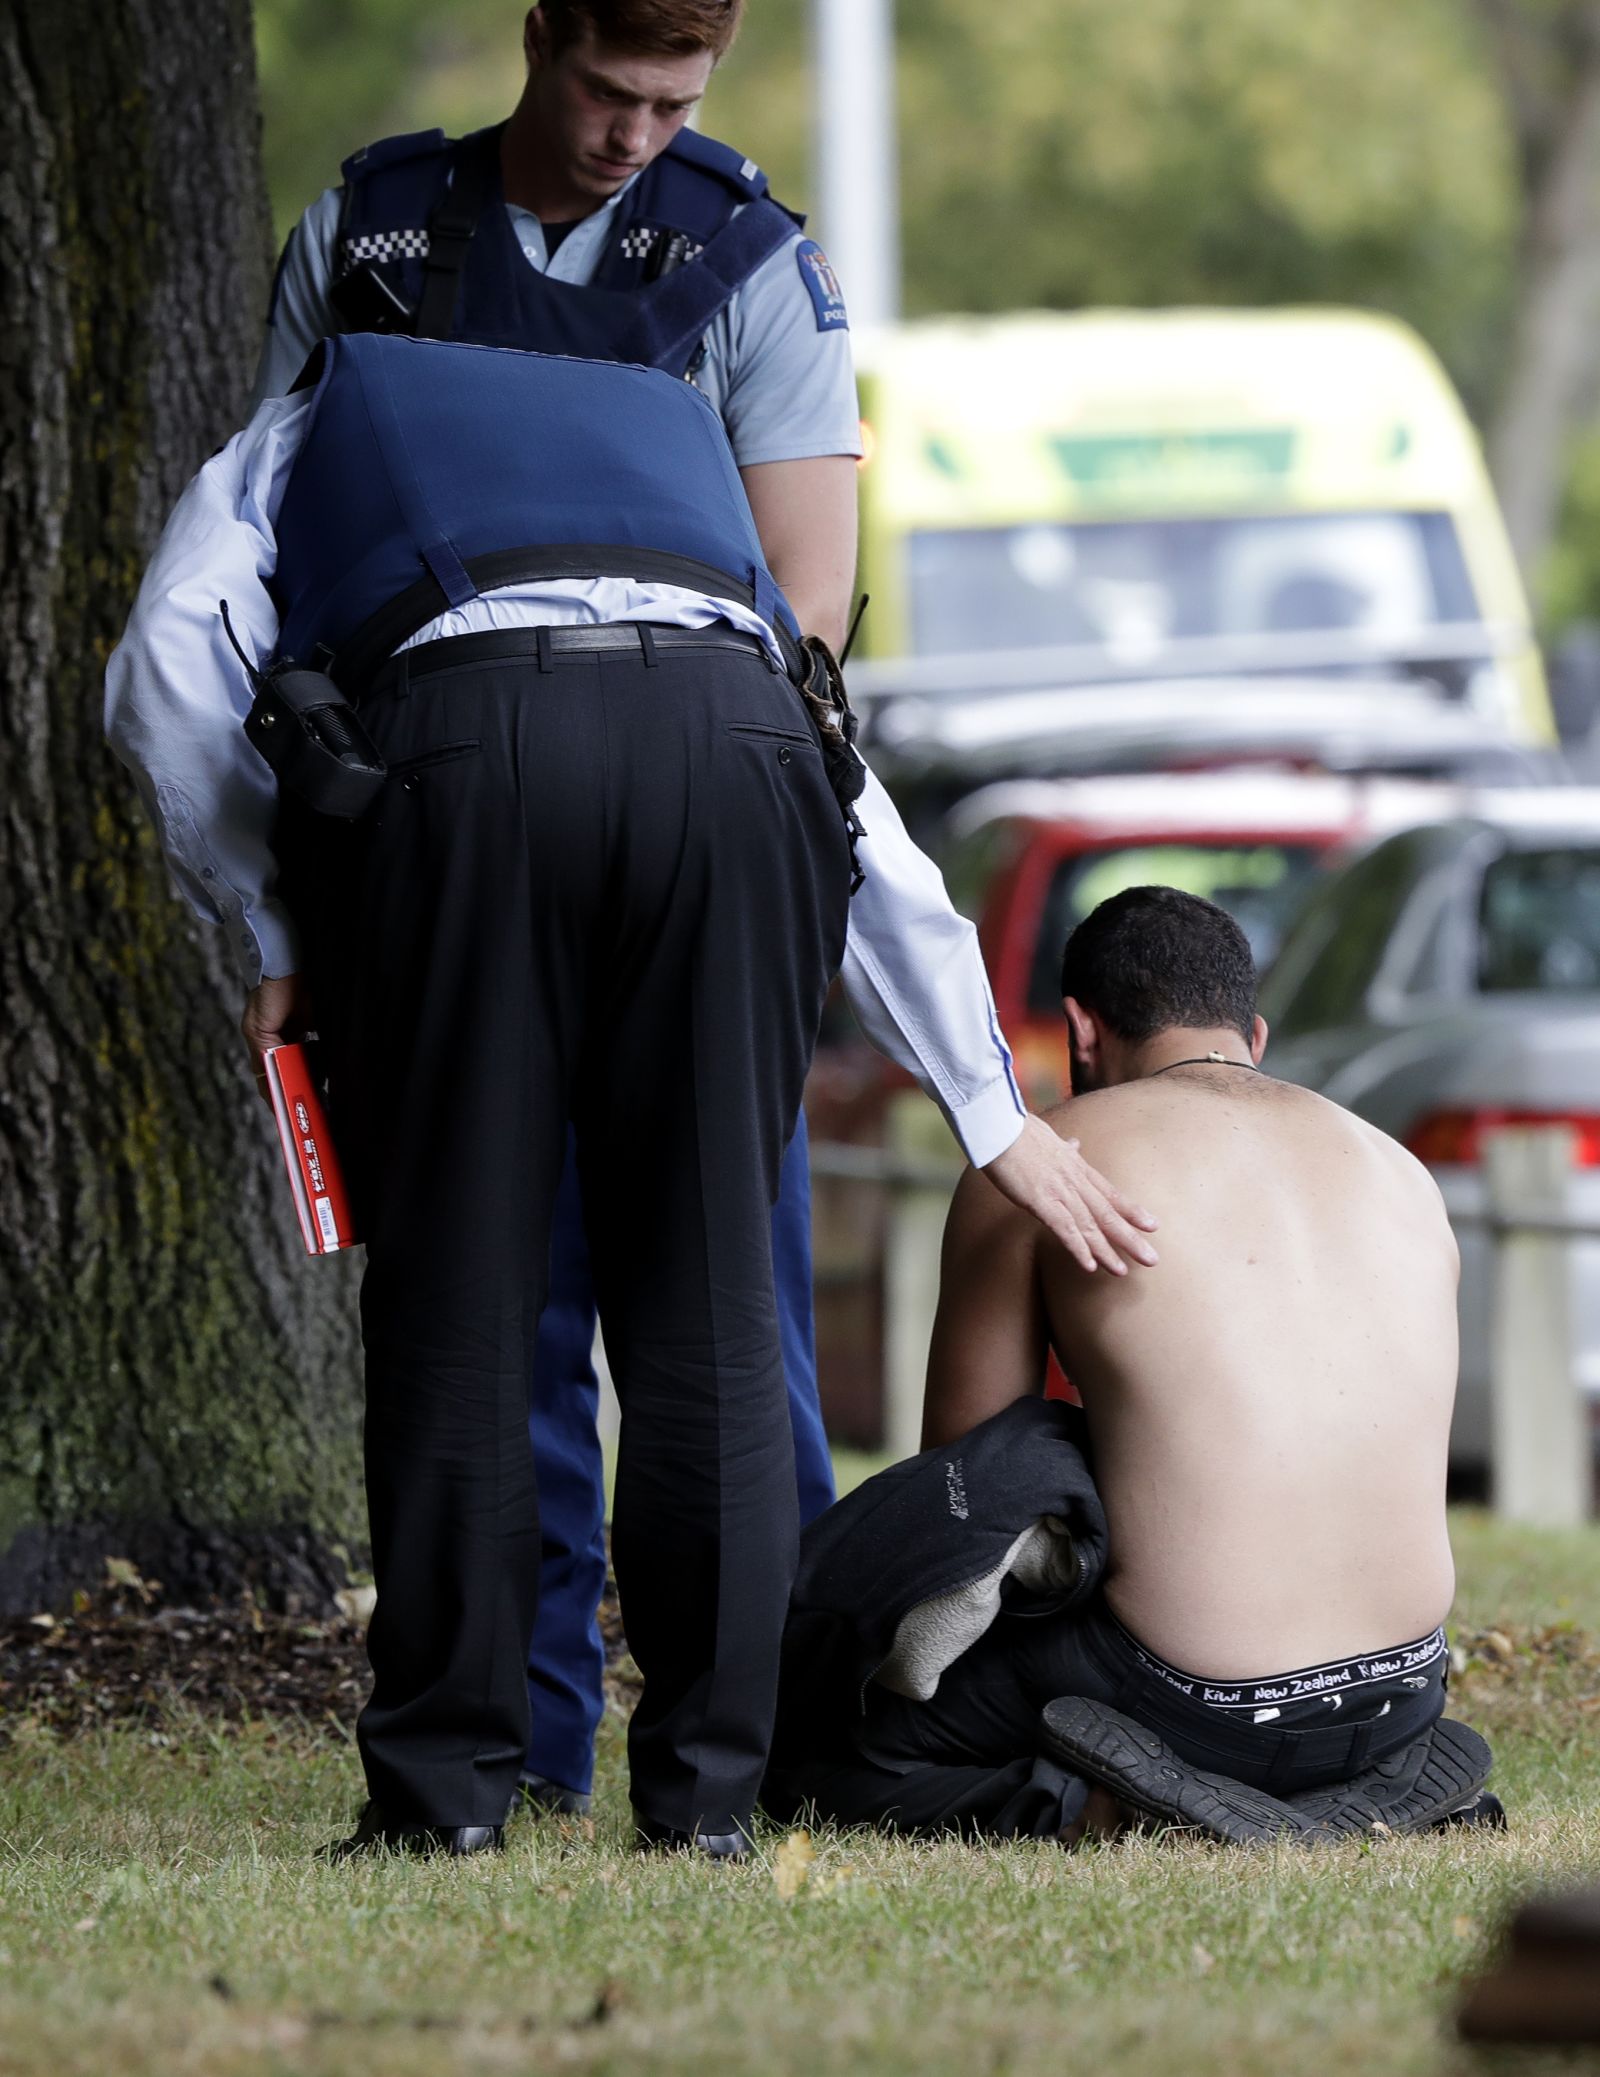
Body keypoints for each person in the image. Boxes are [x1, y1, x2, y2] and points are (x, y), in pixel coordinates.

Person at [104, 333, 1158, 1858]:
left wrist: (273, 921)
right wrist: (995, 1120)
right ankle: (709, 1806)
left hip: (464, 754)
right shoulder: (680, 446)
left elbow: (164, 659)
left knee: (462, 1303)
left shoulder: (317, 408)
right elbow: (842, 790)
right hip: (732, 760)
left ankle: (446, 1803)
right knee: (715, 1314)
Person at [250, 0, 861, 1817]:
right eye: (609, 89)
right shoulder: (367, 239)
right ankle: (523, 1751)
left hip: (636, 790)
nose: (634, 135)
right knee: (491, 1307)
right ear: (540, 38)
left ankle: (742, 1752)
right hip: (467, 798)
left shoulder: (751, 260)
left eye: (678, 101)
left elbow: (806, 615)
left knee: (710, 1305)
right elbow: (271, 549)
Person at [766, 886, 1470, 1842]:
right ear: (1252, 1034)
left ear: (1079, 1032)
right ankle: (1353, 1791)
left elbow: (967, 1495)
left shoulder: (1046, 1160)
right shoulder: (1401, 1171)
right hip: (1405, 1688)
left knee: (807, 1753)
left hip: (1191, 1696)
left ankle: (1090, 1805)